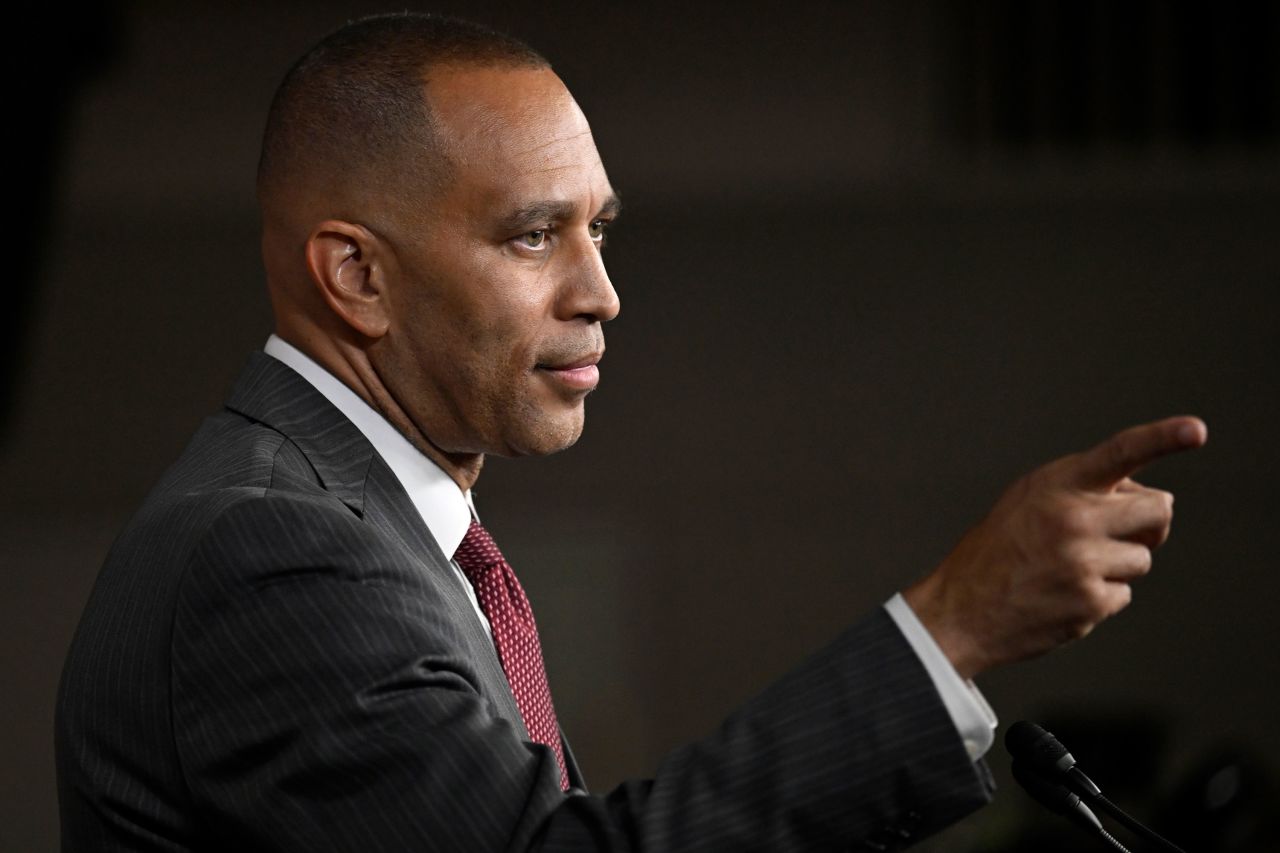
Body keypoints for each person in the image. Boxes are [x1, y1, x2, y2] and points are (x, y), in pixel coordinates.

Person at [55, 12, 1207, 852]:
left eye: (600, 229)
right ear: (356, 274)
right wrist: (950, 626)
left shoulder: (360, 526)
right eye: (532, 236)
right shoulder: (276, 550)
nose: (600, 291)